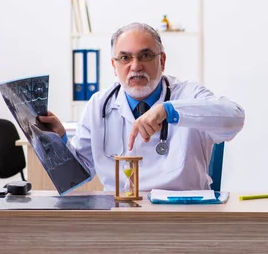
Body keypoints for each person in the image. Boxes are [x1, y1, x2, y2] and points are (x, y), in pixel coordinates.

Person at [38, 22, 245, 192]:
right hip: (120, 215)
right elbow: (77, 174)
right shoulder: (99, 104)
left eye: (145, 56)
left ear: (162, 61)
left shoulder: (188, 94)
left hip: (182, 215)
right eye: (125, 58)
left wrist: (168, 111)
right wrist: (60, 138)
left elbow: (234, 117)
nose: (135, 66)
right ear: (114, 65)